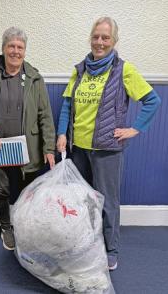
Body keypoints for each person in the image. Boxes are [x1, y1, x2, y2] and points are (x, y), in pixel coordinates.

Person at [56, 17, 161, 270]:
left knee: (108, 203)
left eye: (105, 38)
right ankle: (87, 243)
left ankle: (111, 250)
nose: (100, 42)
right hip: (78, 148)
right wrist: (62, 134)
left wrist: (135, 129)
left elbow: (152, 100)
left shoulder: (123, 70)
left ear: (114, 41)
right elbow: (68, 105)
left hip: (106, 151)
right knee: (82, 200)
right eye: (96, 37)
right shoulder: (80, 69)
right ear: (90, 38)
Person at [0, 27, 56, 251]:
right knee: (1, 190)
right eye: (11, 46)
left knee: (28, 191)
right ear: (3, 48)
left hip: (28, 147)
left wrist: (49, 147)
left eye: (20, 47)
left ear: (25, 51)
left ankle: (25, 226)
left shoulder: (35, 78)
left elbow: (45, 115)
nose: (15, 51)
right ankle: (6, 228)